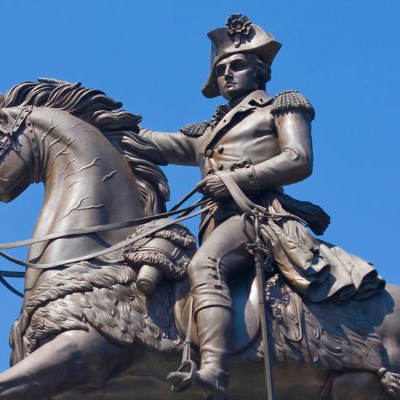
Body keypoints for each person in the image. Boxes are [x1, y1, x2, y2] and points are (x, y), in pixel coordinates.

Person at [139, 14, 384, 397]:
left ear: (259, 71)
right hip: (215, 224)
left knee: (206, 264)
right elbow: (151, 143)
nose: (227, 74)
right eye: (221, 69)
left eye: (237, 65)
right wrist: (103, 124)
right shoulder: (206, 133)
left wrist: (235, 179)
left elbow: (298, 159)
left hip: (258, 216)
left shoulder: (281, 107)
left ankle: (216, 369)